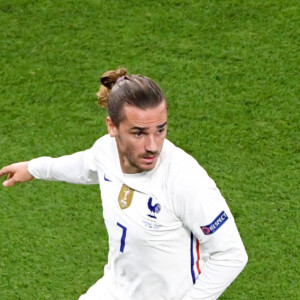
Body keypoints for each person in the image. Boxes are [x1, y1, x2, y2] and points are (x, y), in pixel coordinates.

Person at [0, 68, 248, 300]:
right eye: (139, 133)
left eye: (160, 130)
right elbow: (84, 165)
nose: (153, 145)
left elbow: (231, 255)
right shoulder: (105, 152)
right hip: (114, 289)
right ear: (113, 127)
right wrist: (33, 168)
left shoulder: (185, 180)